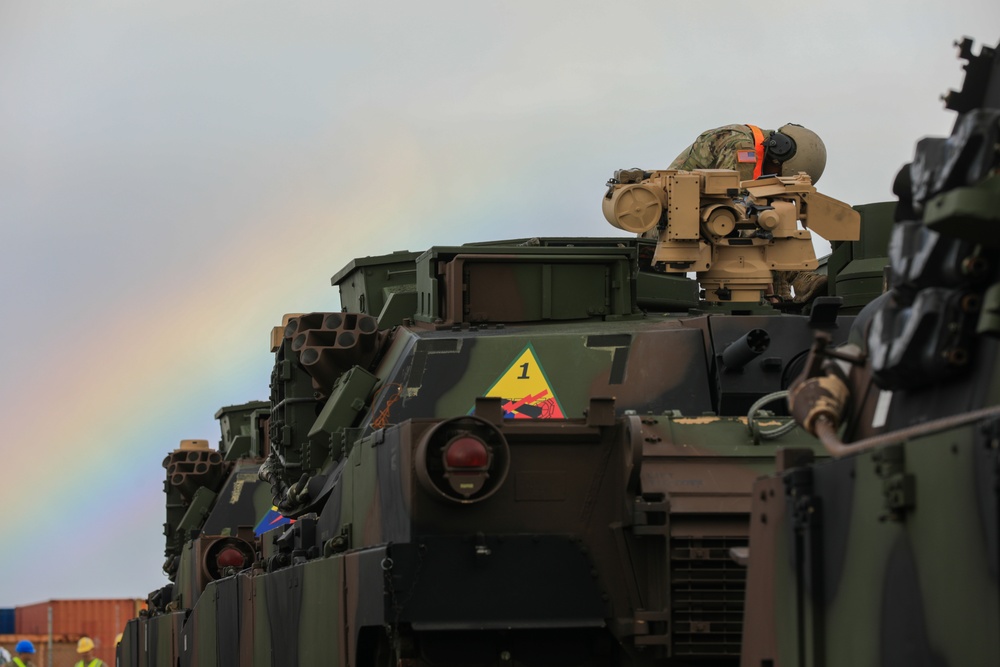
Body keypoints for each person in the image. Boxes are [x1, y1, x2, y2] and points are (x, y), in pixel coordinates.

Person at [650, 123, 829, 302]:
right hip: (665, 227)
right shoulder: (741, 146)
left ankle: (786, 291)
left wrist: (777, 296)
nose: (777, 180)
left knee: (778, 212)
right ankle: (800, 277)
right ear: (779, 155)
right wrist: (766, 292)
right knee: (765, 216)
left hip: (698, 220)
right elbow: (743, 213)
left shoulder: (762, 155)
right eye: (780, 175)